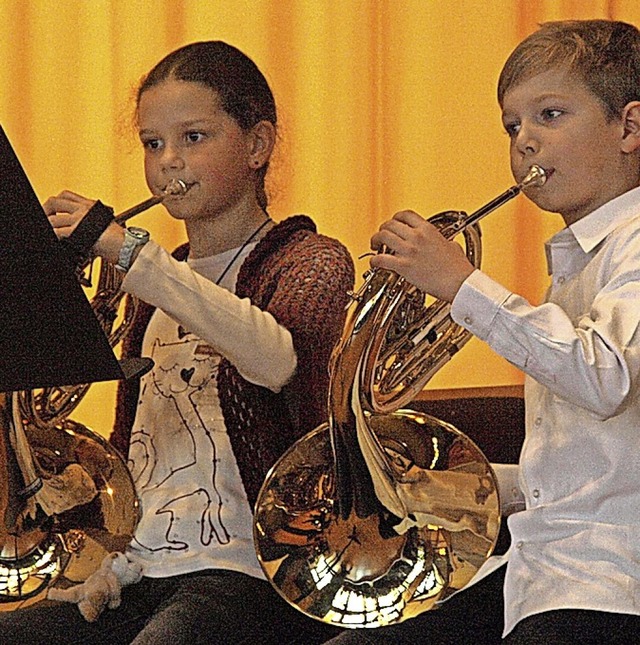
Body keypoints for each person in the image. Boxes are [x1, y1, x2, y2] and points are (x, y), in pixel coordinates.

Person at [0, 41, 354, 644]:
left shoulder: (310, 260)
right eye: (152, 143)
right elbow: (137, 446)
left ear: (257, 145)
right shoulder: (145, 287)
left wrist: (129, 253)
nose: (168, 161)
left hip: (248, 569)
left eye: (194, 137)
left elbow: (275, 359)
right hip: (140, 570)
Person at [323, 19, 640, 645]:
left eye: (550, 115)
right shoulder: (573, 266)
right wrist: (436, 484)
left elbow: (605, 377)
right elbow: (585, 468)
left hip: (610, 585)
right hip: (541, 572)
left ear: (629, 127)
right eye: (512, 126)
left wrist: (462, 285)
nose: (525, 143)